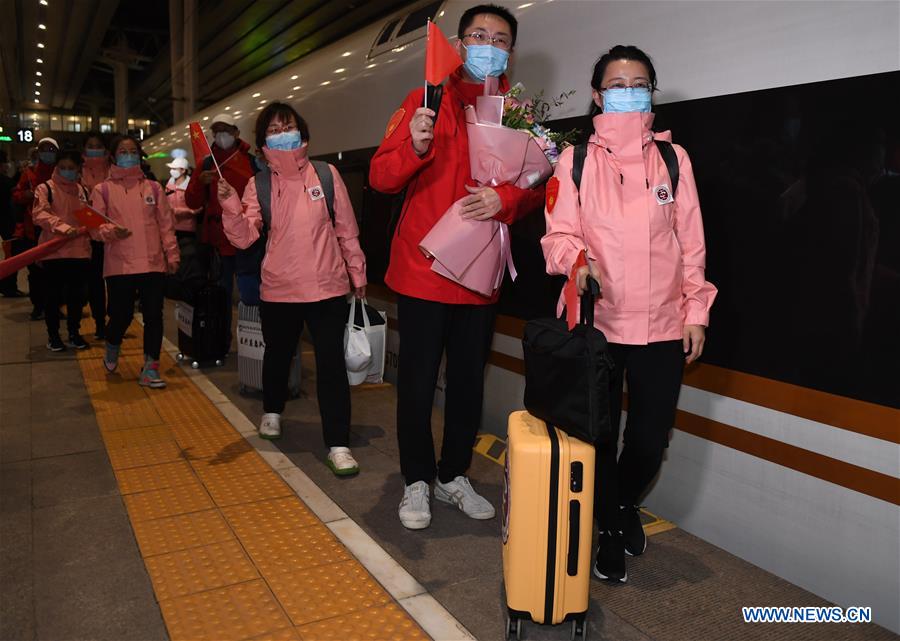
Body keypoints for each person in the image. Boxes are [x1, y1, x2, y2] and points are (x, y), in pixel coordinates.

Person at [541, 45, 717, 583]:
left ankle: (617, 507)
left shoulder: (674, 159)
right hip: (596, 323)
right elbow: (558, 235)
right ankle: (613, 532)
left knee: (648, 439)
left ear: (651, 94)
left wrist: (696, 309)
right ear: (598, 96)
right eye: (617, 85)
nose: (628, 93)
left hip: (663, 324)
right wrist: (578, 263)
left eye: (639, 85)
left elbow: (691, 243)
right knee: (596, 435)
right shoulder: (574, 161)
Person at [369, 4, 544, 529]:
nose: (489, 46)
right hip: (424, 269)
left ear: (511, 51)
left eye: (500, 39)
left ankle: (453, 475)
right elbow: (380, 178)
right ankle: (417, 480)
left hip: (480, 274)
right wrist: (415, 146)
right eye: (479, 36)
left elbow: (537, 187)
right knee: (418, 382)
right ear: (460, 43)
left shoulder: (515, 113)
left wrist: (505, 201)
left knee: (469, 383)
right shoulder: (425, 100)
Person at [218, 102, 366, 477]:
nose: (282, 134)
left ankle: (338, 444)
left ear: (301, 131)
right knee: (278, 355)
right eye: (274, 129)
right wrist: (230, 206)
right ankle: (272, 409)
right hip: (280, 289)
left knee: (331, 366)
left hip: (327, 287)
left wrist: (357, 272)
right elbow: (244, 238)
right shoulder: (259, 184)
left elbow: (346, 228)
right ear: (263, 141)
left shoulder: (326, 175)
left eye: (288, 126)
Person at [90, 135, 179, 388]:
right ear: (113, 156)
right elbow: (94, 228)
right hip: (119, 265)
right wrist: (111, 232)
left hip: (152, 263)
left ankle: (151, 367)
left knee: (154, 316)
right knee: (122, 315)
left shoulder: (153, 188)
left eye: (132, 151)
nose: (128, 155)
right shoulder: (102, 190)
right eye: (123, 151)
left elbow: (166, 225)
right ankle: (112, 343)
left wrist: (172, 254)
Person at [184, 113, 257, 350]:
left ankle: (254, 344)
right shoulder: (206, 164)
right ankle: (220, 341)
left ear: (236, 132)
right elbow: (192, 202)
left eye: (225, 130)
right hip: (218, 244)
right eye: (216, 132)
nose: (221, 136)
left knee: (251, 295)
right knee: (221, 295)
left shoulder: (252, 162)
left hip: (248, 241)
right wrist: (199, 183)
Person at [31, 149, 91, 351]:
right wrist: (63, 228)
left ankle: (74, 333)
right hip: (53, 252)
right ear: (56, 167)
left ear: (78, 168)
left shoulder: (82, 191)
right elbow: (39, 214)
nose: (67, 171)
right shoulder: (45, 188)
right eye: (63, 167)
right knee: (53, 297)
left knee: (77, 298)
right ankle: (53, 335)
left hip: (79, 252)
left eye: (71, 168)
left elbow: (89, 218)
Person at [12, 139, 58, 319]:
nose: (47, 152)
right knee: (36, 272)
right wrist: (27, 195)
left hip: (56, 228)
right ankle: (38, 306)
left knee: (54, 271)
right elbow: (16, 195)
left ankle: (54, 306)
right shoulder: (29, 173)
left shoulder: (61, 171)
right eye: (44, 149)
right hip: (33, 229)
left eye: (51, 149)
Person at [81, 132, 110, 338]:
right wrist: (94, 226)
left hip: (113, 234)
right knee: (95, 282)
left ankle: (115, 319)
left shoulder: (114, 169)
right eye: (90, 146)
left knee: (117, 282)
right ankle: (100, 323)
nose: (94, 149)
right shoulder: (78, 171)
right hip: (89, 236)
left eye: (98, 146)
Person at [0, 150, 25, 298]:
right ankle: (8, 286)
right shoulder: (5, 182)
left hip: (5, 223)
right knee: (12, 255)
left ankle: (7, 285)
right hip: (8, 223)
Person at [166, 156, 202, 235]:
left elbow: (198, 207)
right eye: (171, 169)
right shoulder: (168, 186)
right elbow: (167, 206)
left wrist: (189, 211)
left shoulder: (191, 187)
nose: (171, 171)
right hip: (172, 227)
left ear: (183, 170)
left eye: (174, 169)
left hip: (188, 228)